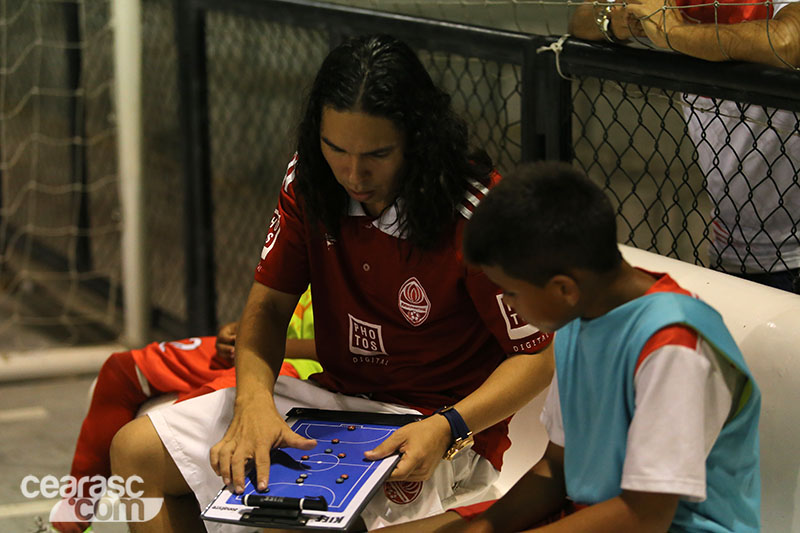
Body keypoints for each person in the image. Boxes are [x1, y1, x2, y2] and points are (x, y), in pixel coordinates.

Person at [109, 34, 554, 533]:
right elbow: (270, 307)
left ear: (418, 139)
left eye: (377, 154)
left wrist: (448, 427)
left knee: (297, 522)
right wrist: (253, 405)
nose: (352, 172)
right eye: (334, 147)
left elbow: (536, 356)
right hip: (330, 401)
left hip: (431, 425)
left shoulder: (476, 214)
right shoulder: (309, 183)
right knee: (134, 452)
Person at [373, 161, 761, 532]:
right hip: (588, 512)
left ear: (563, 288)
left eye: (510, 291)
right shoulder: (578, 317)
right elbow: (556, 469)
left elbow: (643, 518)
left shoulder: (674, 347)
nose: (506, 304)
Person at [569, 0, 800, 293]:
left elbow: (787, 41)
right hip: (732, 244)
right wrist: (621, 21)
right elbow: (580, 20)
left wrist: (671, 32)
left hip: (793, 252)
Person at [50, 289, 319, 533]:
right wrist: (236, 331)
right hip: (261, 348)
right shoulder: (293, 238)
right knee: (121, 369)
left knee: (183, 419)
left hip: (301, 369)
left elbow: (348, 353)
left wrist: (255, 343)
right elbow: (269, 308)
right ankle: (77, 508)